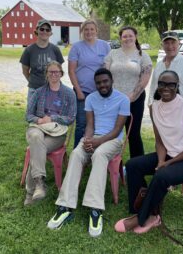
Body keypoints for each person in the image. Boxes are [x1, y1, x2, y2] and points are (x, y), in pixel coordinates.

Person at [115, 70, 183, 233]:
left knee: (162, 175)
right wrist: (160, 161)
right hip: (169, 155)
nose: (166, 87)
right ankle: (144, 210)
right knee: (133, 165)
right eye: (162, 84)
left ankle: (140, 218)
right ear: (157, 85)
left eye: (171, 84)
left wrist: (169, 163)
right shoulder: (154, 107)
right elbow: (160, 140)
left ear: (177, 86)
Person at [47, 68, 130, 237]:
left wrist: (98, 142)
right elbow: (90, 125)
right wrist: (87, 140)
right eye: (99, 83)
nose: (102, 85)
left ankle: (95, 209)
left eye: (105, 81)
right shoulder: (91, 98)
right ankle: (65, 206)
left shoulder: (123, 99)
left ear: (111, 80)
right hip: (94, 137)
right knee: (77, 154)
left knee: (99, 155)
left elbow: (117, 129)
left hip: (112, 140)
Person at [24, 61, 76, 206]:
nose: (54, 74)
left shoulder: (69, 93)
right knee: (35, 138)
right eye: (51, 72)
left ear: (61, 74)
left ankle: (30, 192)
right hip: (38, 128)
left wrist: (52, 118)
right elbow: (28, 115)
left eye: (56, 72)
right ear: (46, 74)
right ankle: (39, 184)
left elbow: (71, 118)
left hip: (57, 133)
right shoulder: (38, 92)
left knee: (36, 150)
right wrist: (39, 120)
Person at [105, 26, 152, 158]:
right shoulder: (112, 54)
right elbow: (105, 75)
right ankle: (110, 163)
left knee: (133, 133)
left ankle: (137, 166)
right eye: (124, 36)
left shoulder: (143, 55)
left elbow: (144, 79)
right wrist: (111, 96)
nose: (127, 38)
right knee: (112, 132)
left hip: (135, 100)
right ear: (120, 38)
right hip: (113, 100)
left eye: (130, 35)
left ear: (135, 36)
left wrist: (131, 96)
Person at [68, 19, 111, 148]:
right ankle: (78, 154)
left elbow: (108, 68)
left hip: (100, 92)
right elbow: (71, 71)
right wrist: (79, 91)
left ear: (96, 31)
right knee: (81, 124)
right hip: (83, 92)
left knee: (99, 124)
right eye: (86, 29)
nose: (89, 32)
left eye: (92, 29)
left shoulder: (105, 46)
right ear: (82, 32)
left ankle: (93, 152)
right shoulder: (76, 47)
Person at [20, 19, 64, 103]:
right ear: (37, 30)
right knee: (32, 115)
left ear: (50, 33)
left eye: (47, 30)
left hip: (52, 90)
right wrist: (34, 82)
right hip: (34, 90)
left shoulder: (55, 50)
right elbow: (25, 71)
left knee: (52, 115)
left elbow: (59, 71)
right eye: (42, 29)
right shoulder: (29, 50)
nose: (44, 31)